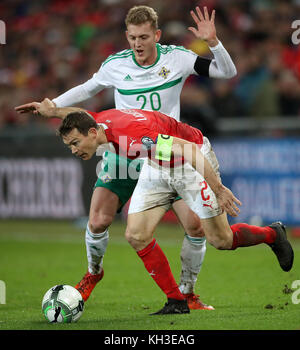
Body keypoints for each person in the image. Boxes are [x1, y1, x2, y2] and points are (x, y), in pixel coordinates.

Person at [15, 5, 237, 310]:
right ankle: (93, 274)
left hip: (161, 151)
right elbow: (87, 88)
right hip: (122, 151)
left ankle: (187, 295)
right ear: (126, 36)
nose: (137, 43)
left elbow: (226, 72)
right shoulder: (115, 64)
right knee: (98, 220)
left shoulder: (178, 58)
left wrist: (214, 42)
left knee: (196, 227)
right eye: (132, 37)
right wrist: (53, 105)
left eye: (144, 36)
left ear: (156, 35)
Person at [25, 100, 294, 315]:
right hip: (158, 166)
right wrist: (54, 111)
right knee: (136, 234)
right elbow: (85, 112)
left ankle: (272, 234)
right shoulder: (99, 123)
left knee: (221, 240)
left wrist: (219, 188)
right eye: (69, 145)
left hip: (192, 163)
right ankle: (176, 301)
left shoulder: (134, 138)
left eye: (75, 143)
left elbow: (189, 150)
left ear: (93, 134)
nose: (73, 150)